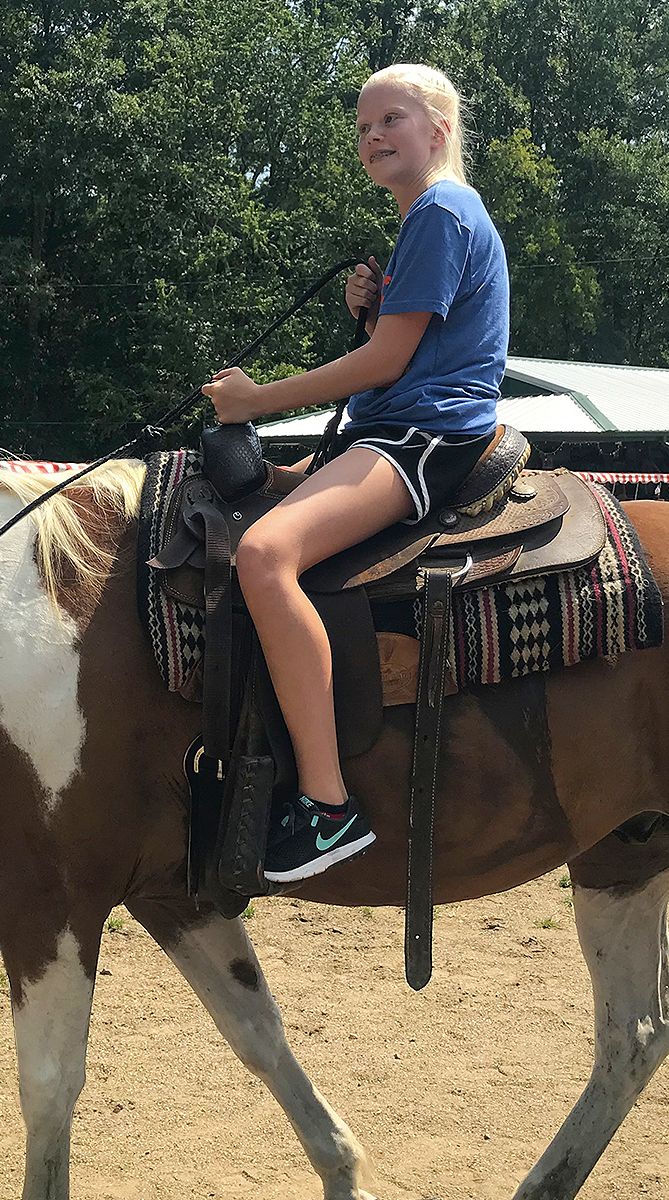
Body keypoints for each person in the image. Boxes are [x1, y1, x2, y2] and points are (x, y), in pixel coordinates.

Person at [200, 64, 508, 884]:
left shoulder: (441, 211)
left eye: (391, 119)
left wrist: (255, 401)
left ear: (438, 129)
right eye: (364, 125)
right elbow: (402, 348)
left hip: (422, 438)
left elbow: (387, 365)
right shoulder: (432, 219)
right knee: (257, 498)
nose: (373, 136)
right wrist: (371, 311)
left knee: (265, 556)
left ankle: (327, 807)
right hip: (395, 428)